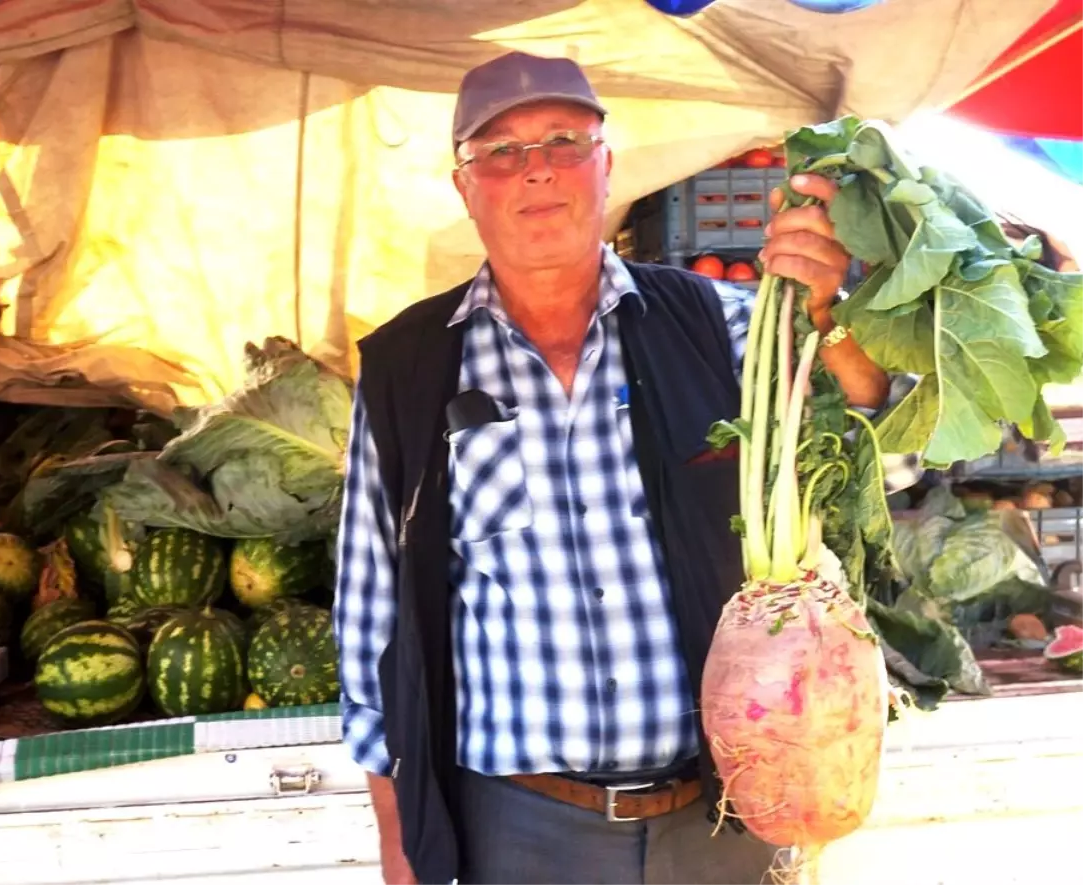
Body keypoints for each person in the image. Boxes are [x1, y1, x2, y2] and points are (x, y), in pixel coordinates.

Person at [333, 51, 891, 885]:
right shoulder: (408, 368)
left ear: (607, 164)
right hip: (517, 825)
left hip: (727, 811)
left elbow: (876, 426)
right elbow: (371, 622)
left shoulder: (724, 325)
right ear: (465, 185)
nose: (537, 172)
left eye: (565, 141)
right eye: (502, 151)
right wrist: (401, 844)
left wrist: (831, 318)